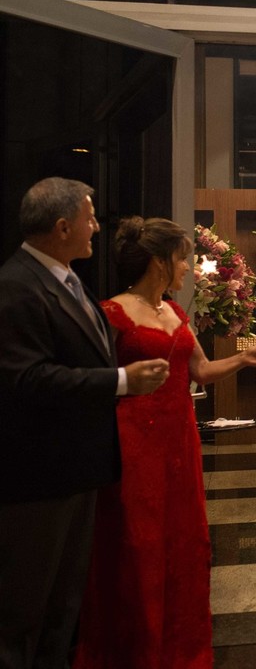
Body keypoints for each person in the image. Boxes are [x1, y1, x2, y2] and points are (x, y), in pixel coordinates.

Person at [72, 217, 256, 668]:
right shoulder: (110, 313)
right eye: (182, 259)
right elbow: (91, 382)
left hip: (179, 441)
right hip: (131, 443)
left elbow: (200, 371)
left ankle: (180, 650)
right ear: (159, 262)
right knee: (137, 546)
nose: (187, 267)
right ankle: (134, 653)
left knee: (184, 542)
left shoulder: (175, 313)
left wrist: (244, 358)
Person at [0, 178, 168, 669]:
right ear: (61, 226)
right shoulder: (16, 286)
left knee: (62, 607)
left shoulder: (67, 280)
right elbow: (24, 379)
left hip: (77, 469)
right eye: (89, 218)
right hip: (39, 477)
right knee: (24, 611)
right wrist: (120, 380)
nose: (96, 226)